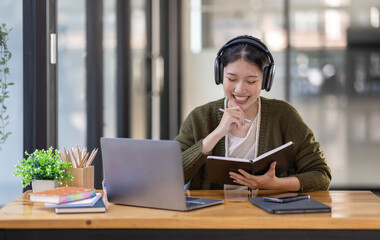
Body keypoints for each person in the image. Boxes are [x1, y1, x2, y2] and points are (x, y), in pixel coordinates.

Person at [175, 35, 331, 192]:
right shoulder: (199, 117)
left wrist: (275, 184)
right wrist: (216, 134)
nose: (240, 89)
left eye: (251, 81)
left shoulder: (284, 116)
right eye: (232, 79)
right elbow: (172, 176)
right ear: (220, 75)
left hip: (269, 215)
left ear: (265, 80)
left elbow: (321, 175)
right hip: (213, 215)